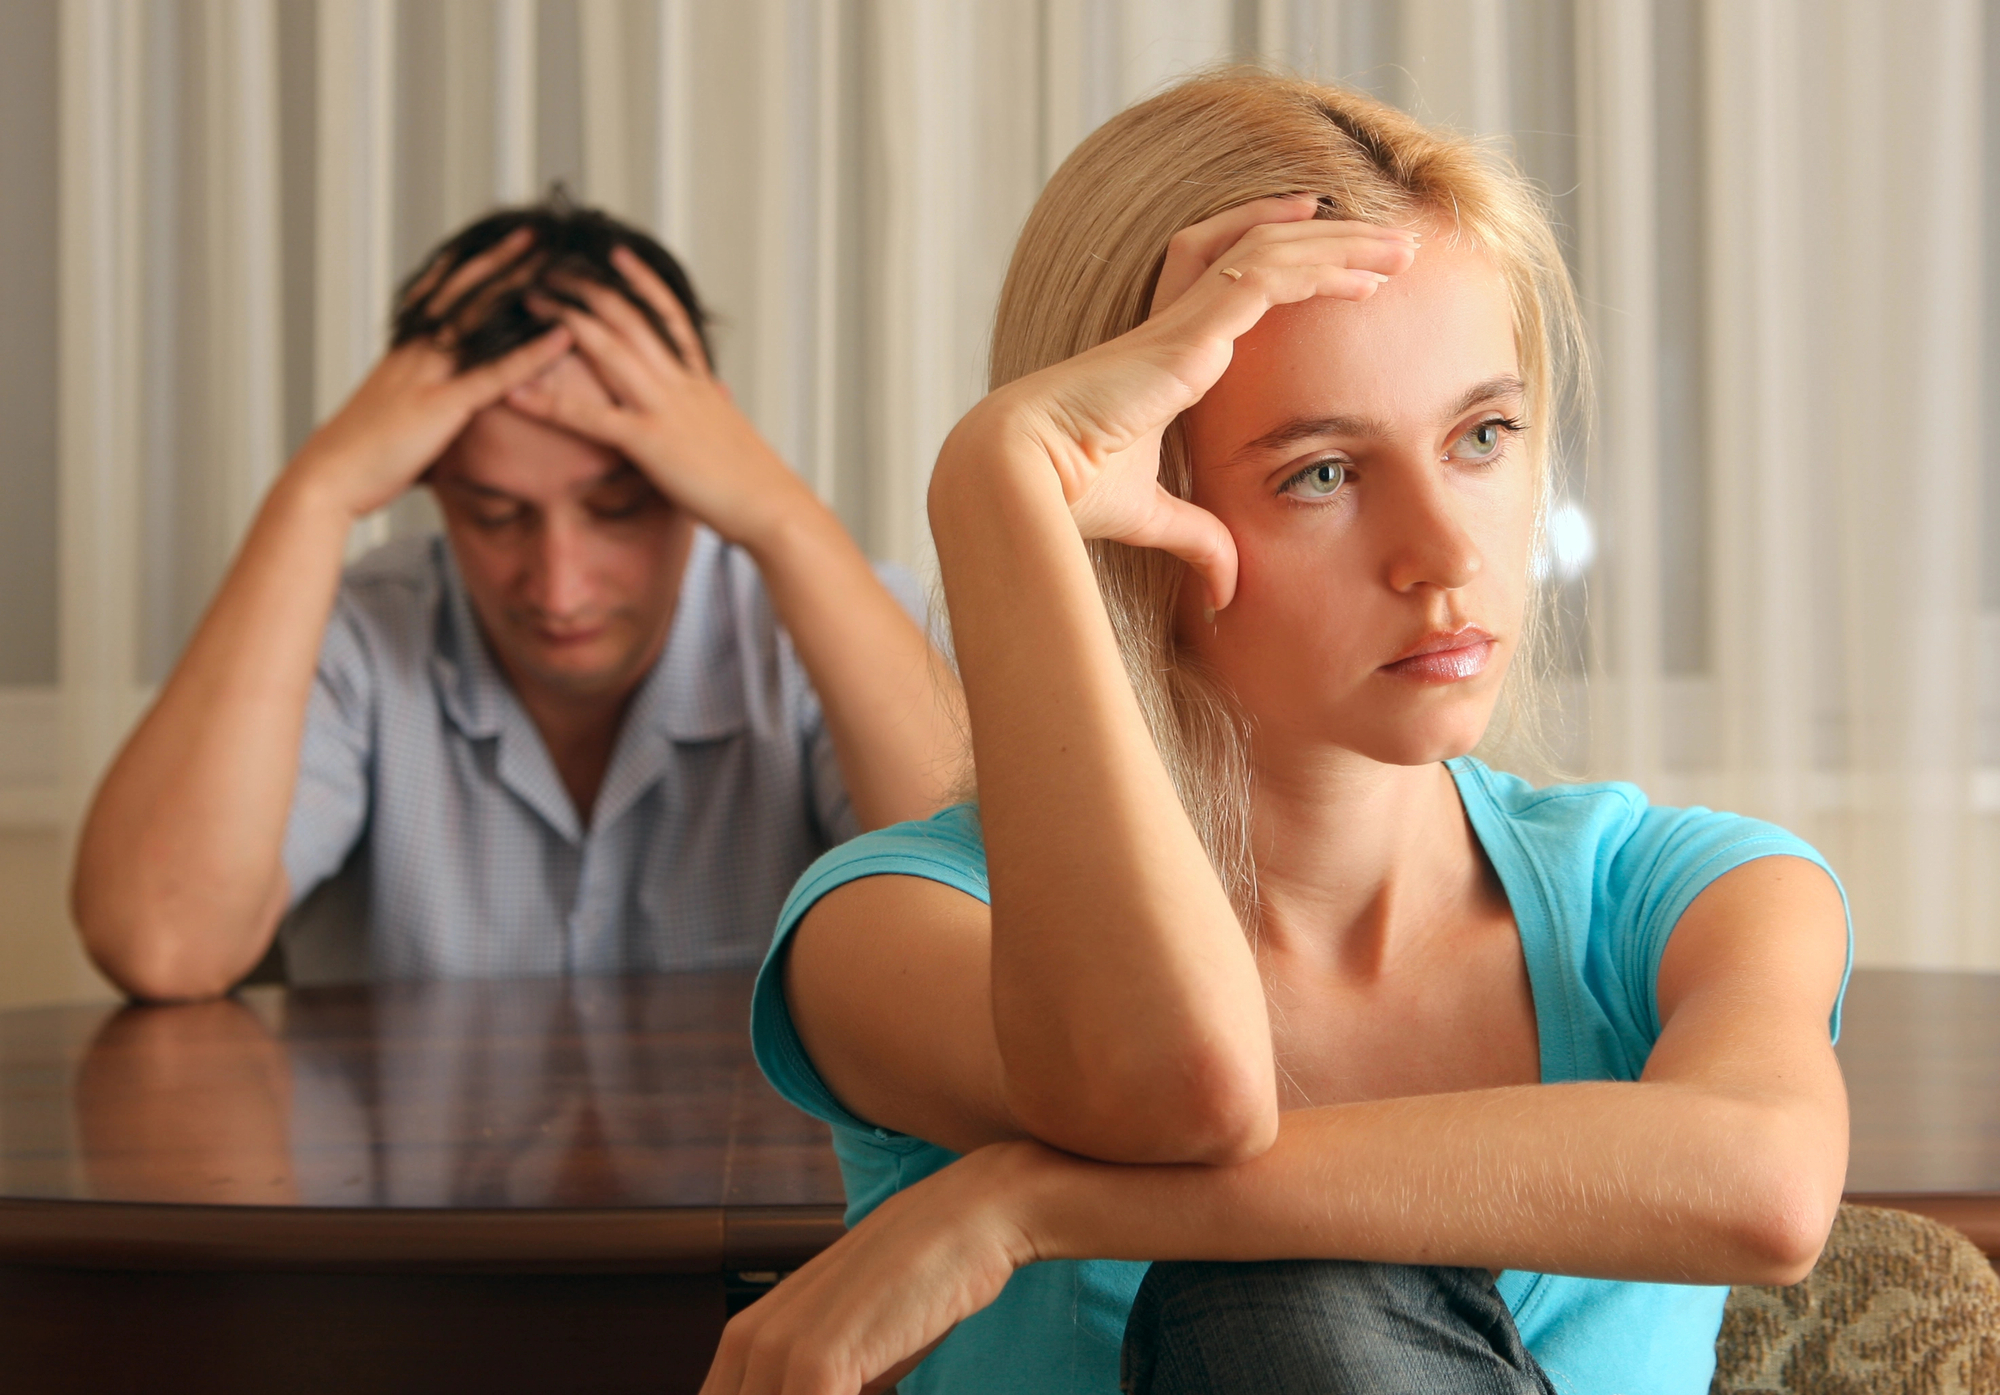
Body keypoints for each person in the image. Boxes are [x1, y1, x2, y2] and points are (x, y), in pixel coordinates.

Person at [710, 71, 1852, 1395]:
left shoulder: (1690, 892)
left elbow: (1766, 1184)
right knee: (1287, 1282)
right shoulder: (894, 927)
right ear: (1130, 491)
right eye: (1323, 470)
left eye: (1483, 434)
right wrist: (1000, 485)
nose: (1444, 555)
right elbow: (1177, 1092)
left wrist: (1033, 1203)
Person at [74, 198, 961, 999]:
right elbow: (163, 943)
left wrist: (781, 515)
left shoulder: (818, 616)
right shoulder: (354, 637)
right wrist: (317, 492)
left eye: (617, 508)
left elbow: (997, 914)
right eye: (493, 514)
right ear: (427, 477)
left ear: (703, 467)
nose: (558, 585)